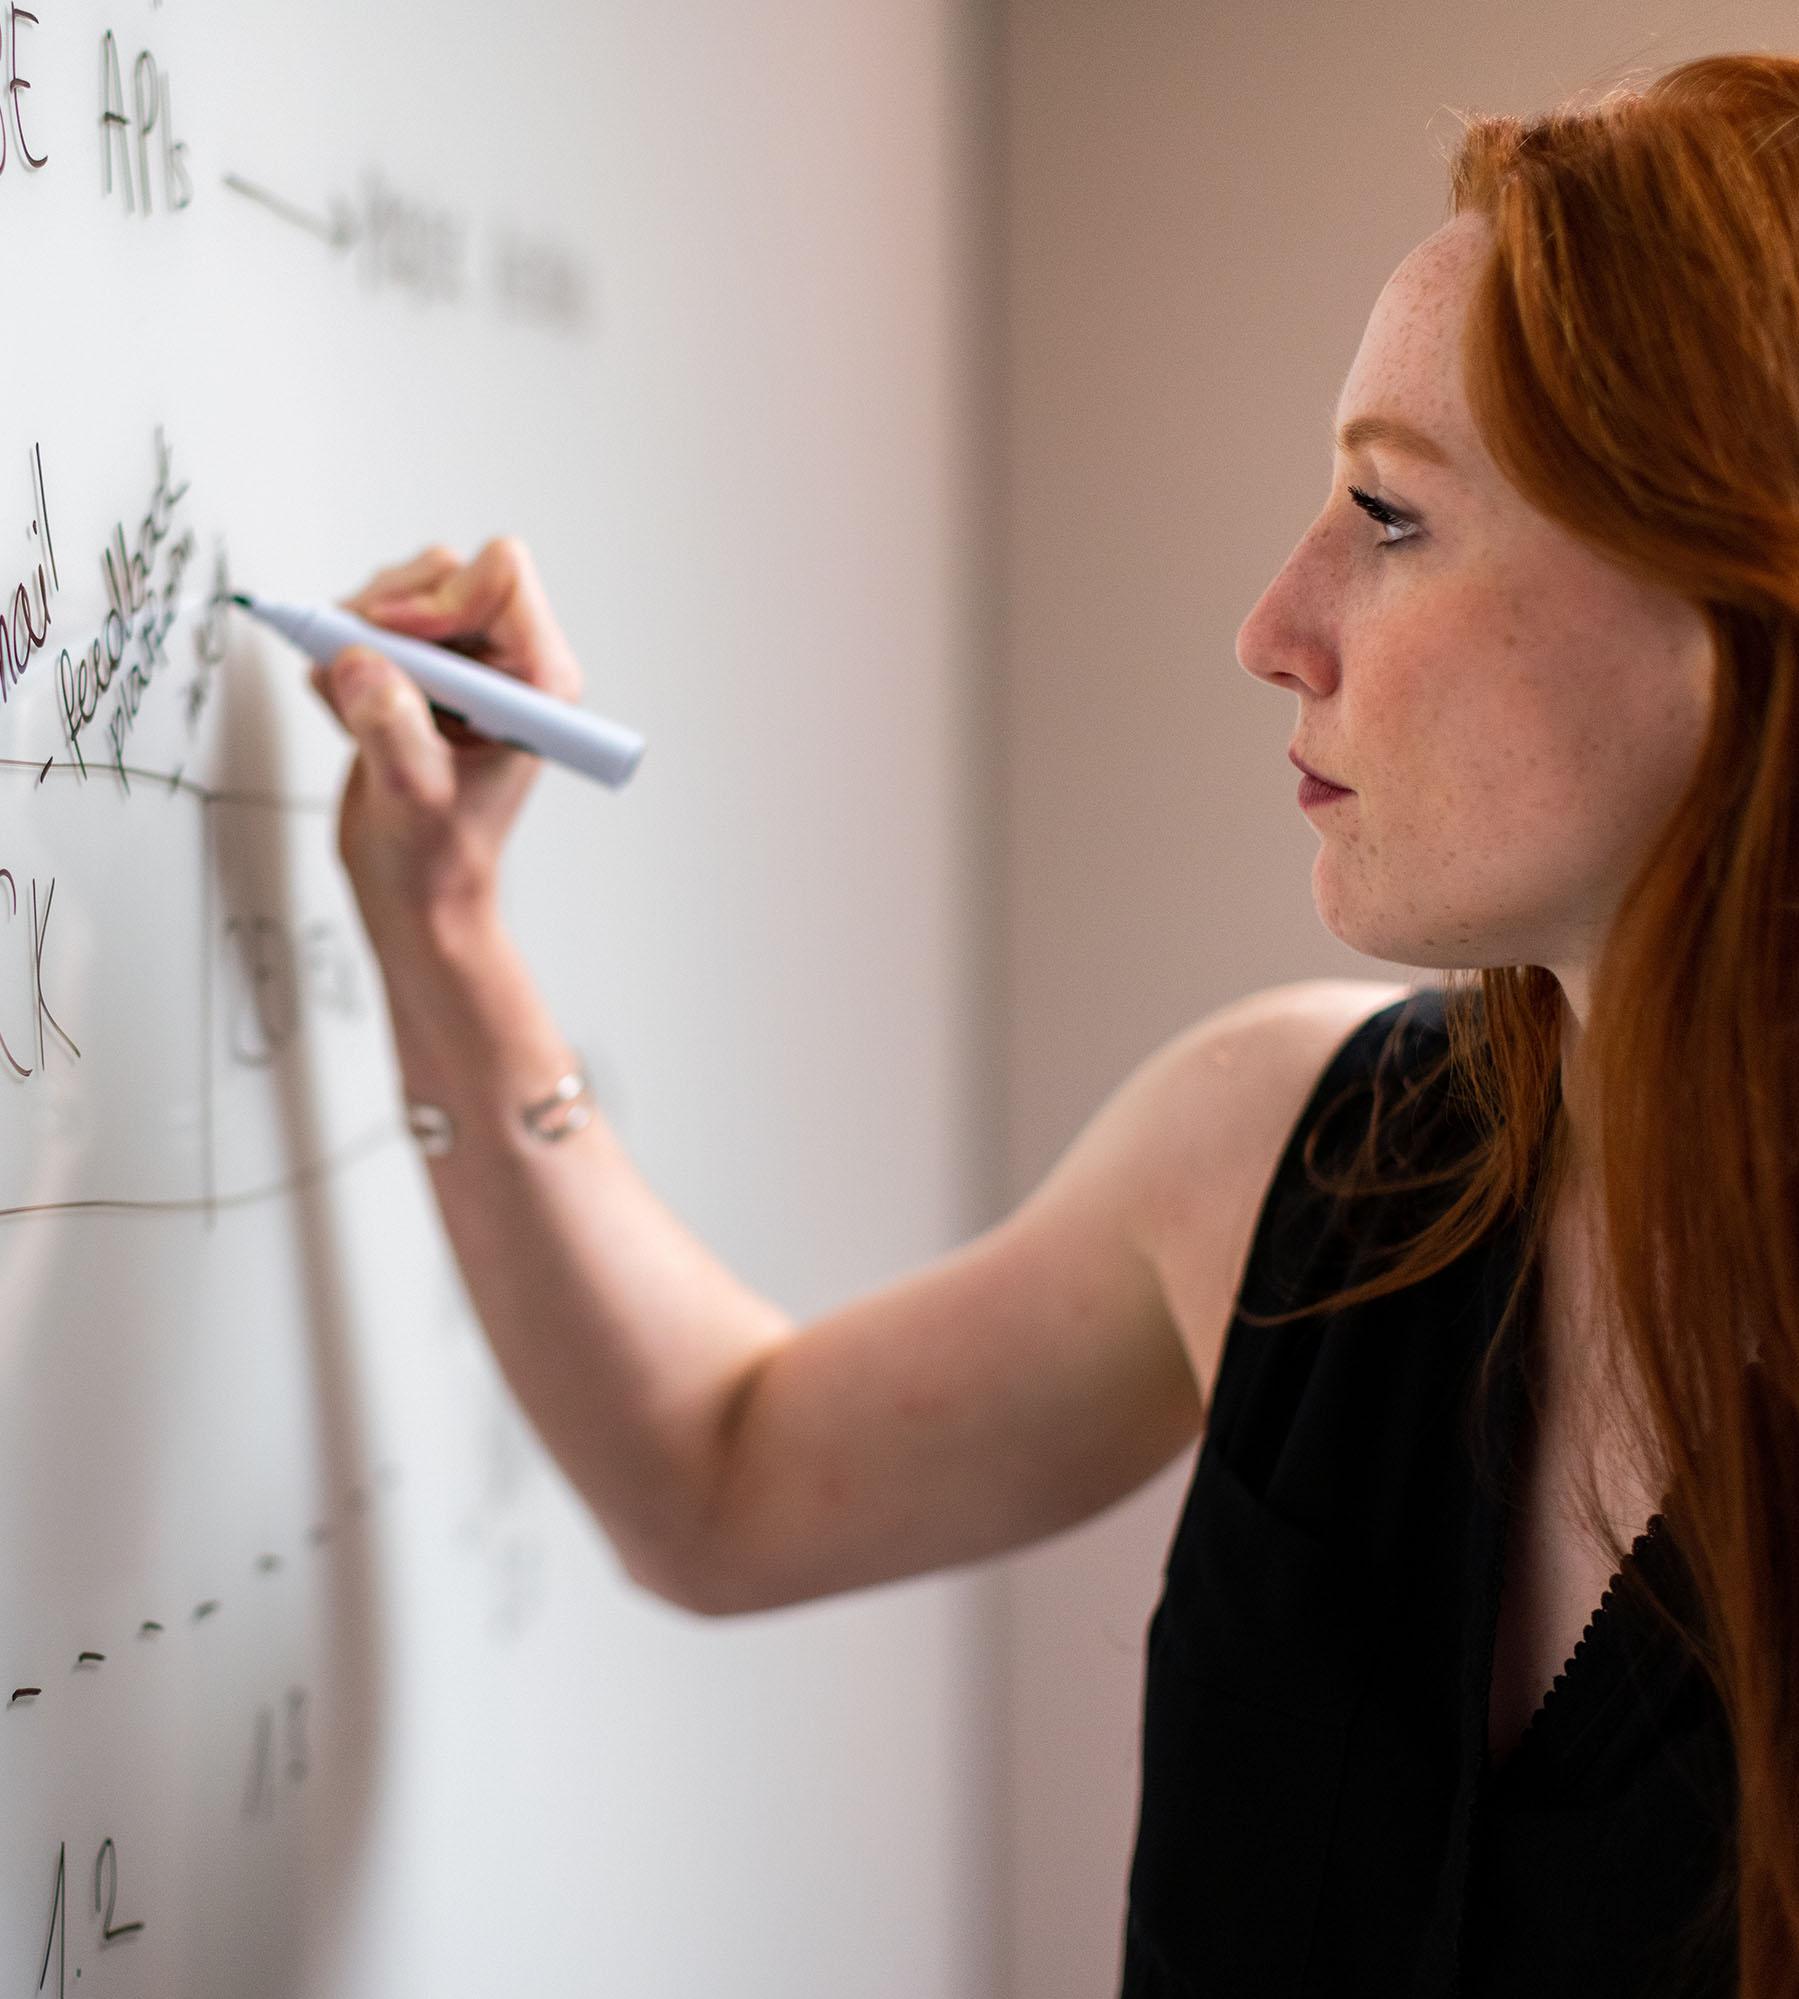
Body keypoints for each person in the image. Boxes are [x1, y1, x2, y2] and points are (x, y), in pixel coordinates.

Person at [306, 51, 1799, 1998]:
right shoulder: (1297, 1155)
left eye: (1389, 513)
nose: (1274, 621)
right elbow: (720, 1474)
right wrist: (443, 928)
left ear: (1727, 595)